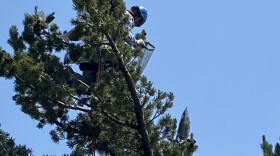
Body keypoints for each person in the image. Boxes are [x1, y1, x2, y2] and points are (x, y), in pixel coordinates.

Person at [75, 6, 148, 88]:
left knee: (87, 86)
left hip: (90, 52)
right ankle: (105, 98)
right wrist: (137, 43)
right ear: (137, 14)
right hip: (103, 51)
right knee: (104, 85)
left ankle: (66, 76)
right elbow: (125, 32)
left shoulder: (115, 14)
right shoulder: (128, 16)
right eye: (139, 21)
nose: (136, 23)